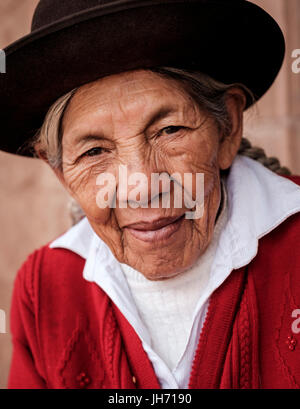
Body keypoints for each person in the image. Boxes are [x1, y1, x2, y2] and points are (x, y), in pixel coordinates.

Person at [2, 0, 300, 389]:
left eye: (169, 130)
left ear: (227, 128)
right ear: (60, 171)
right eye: (94, 151)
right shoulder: (44, 288)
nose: (142, 186)